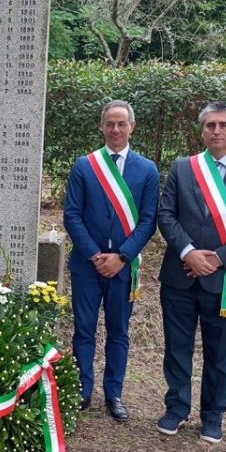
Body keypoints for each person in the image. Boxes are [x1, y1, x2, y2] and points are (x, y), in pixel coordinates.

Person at [156, 102, 226, 444]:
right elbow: (166, 215)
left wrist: (218, 258)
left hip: (224, 277)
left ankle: (213, 414)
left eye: (222, 125)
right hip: (179, 274)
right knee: (177, 347)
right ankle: (176, 408)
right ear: (202, 130)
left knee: (220, 351)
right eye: (210, 125)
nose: (216, 131)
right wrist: (189, 253)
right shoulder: (183, 167)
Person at [63, 100, 159, 422]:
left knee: (118, 331)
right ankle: (82, 389)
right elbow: (72, 216)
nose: (115, 129)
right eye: (109, 124)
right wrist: (94, 255)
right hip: (86, 265)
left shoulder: (147, 170)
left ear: (132, 127)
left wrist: (121, 257)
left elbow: (148, 221)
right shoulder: (84, 166)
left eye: (121, 124)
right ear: (102, 127)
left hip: (123, 267)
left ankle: (113, 392)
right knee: (84, 329)